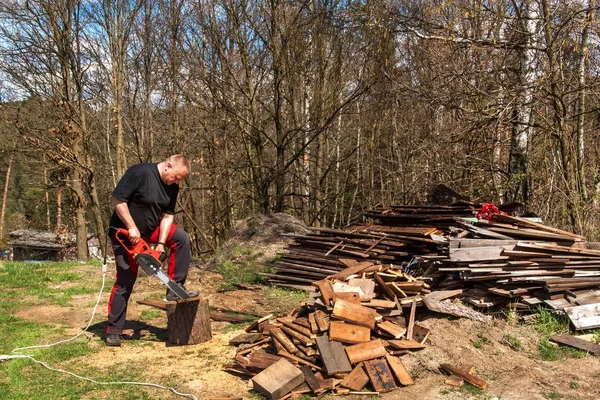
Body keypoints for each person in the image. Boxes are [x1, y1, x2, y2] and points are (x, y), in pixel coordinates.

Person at [105, 154, 198, 347]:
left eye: (180, 179)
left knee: (181, 239)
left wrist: (161, 243)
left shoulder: (172, 187)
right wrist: (131, 226)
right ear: (168, 166)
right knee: (125, 279)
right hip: (124, 230)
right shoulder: (139, 173)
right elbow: (118, 200)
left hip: (151, 229)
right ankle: (113, 330)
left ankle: (175, 288)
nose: (177, 181)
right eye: (176, 176)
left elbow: (167, 217)